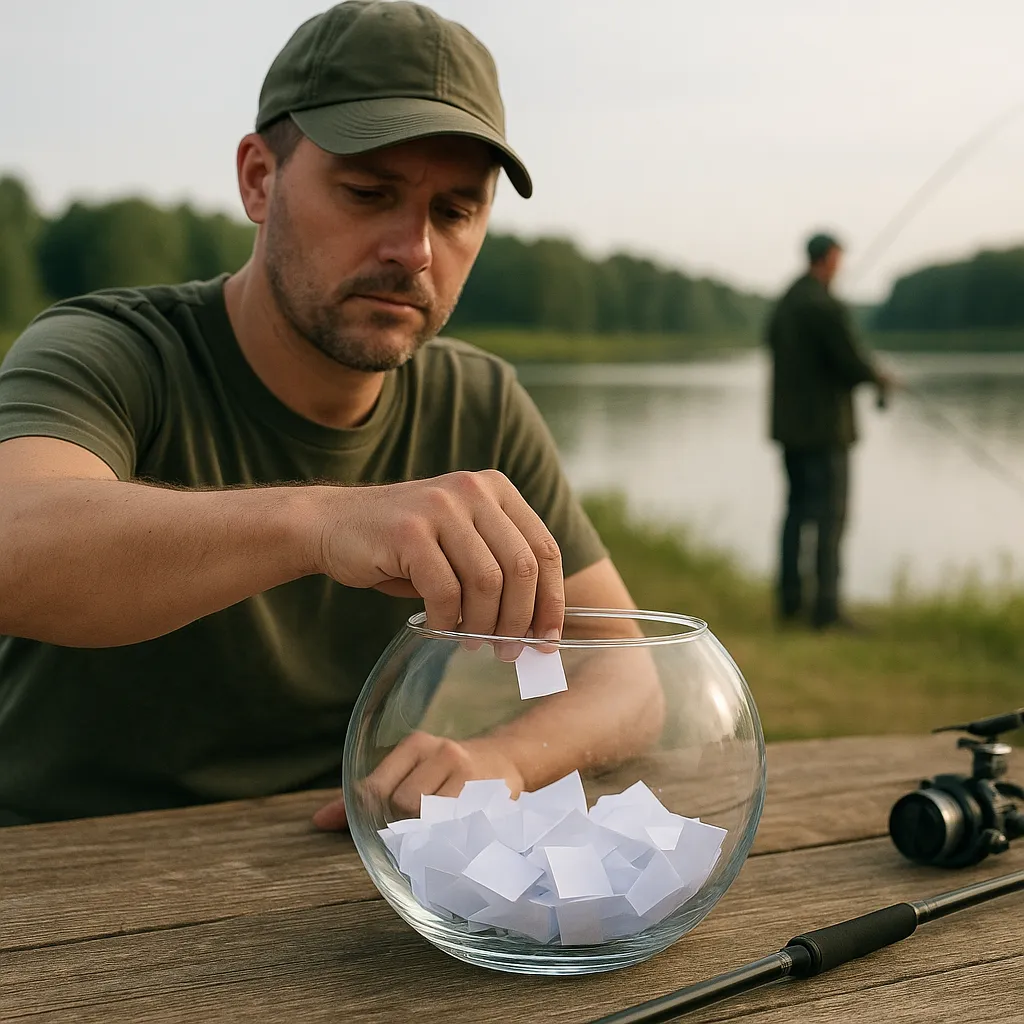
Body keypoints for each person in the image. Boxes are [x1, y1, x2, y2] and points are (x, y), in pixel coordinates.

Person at [0, 1, 660, 828]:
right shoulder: (109, 348)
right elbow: (12, 543)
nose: (413, 249)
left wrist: (499, 760)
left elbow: (627, 677)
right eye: (367, 192)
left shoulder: (480, 402)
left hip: (331, 867)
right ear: (257, 179)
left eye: (455, 211)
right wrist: (322, 522)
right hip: (61, 867)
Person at [766, 232, 892, 630]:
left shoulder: (786, 303)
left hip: (790, 432)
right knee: (831, 519)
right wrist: (879, 376)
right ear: (828, 259)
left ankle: (789, 604)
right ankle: (827, 611)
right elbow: (851, 363)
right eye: (839, 259)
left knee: (795, 516)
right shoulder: (826, 306)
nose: (841, 266)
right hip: (825, 435)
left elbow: (773, 344)